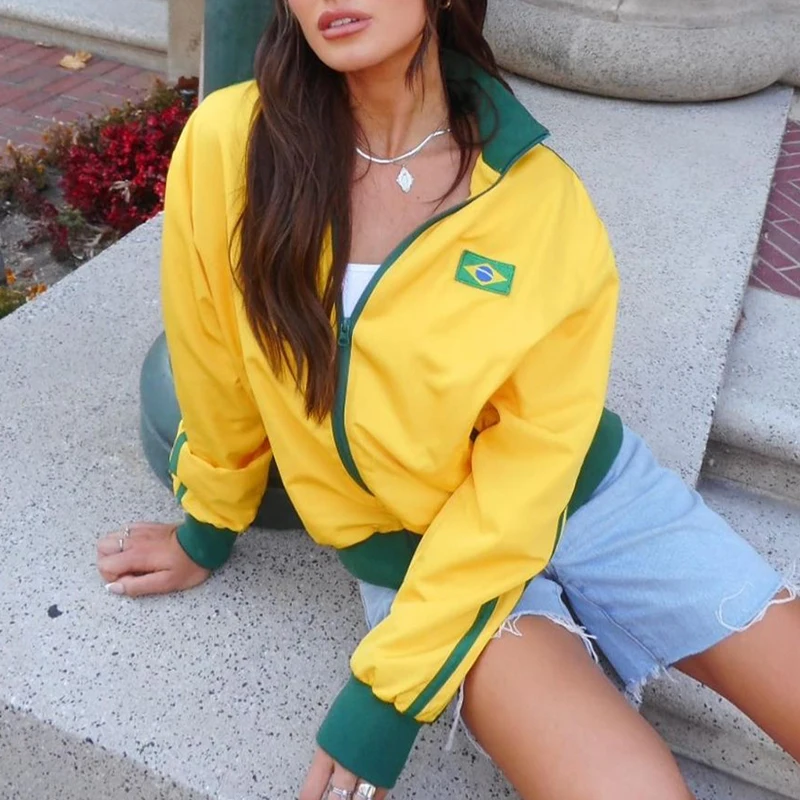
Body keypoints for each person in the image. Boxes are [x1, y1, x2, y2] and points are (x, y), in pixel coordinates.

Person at [96, 1, 800, 798]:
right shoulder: (232, 145)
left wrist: (386, 692)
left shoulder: (538, 199)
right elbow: (215, 362)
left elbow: (535, 451)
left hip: (585, 496)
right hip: (421, 557)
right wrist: (207, 528)